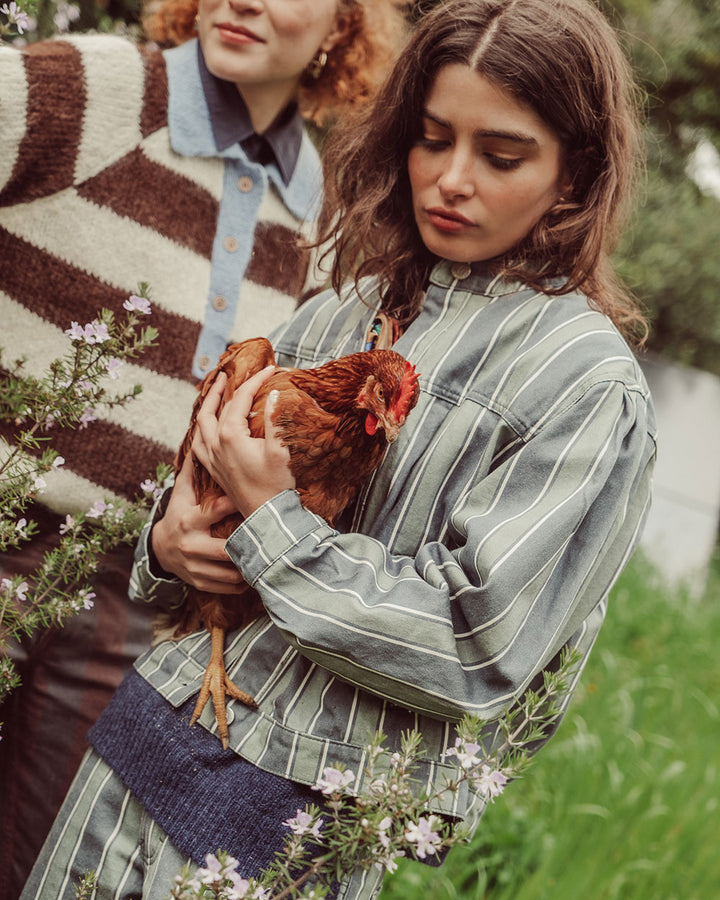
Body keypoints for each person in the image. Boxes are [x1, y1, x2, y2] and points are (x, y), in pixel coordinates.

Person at [20, 0, 657, 897]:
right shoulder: (343, 306)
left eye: (501, 156)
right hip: (140, 749)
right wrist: (169, 545)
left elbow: (475, 648)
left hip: (291, 816)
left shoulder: (583, 384)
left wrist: (275, 526)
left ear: (576, 174)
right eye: (433, 139)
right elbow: (206, 502)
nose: (451, 179)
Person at [0, 1, 407, 897]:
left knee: (34, 862)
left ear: (343, 25)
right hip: (5, 521)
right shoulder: (96, 86)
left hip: (132, 591)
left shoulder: (328, 213)